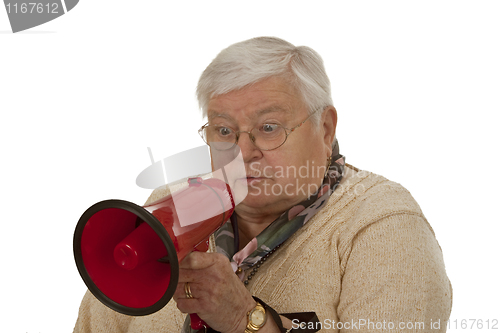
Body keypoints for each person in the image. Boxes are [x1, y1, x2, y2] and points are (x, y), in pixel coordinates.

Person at [73, 37, 452, 332]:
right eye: (224, 130)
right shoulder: (164, 207)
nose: (241, 153)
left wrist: (247, 320)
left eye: (268, 128)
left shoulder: (382, 224)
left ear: (325, 129)